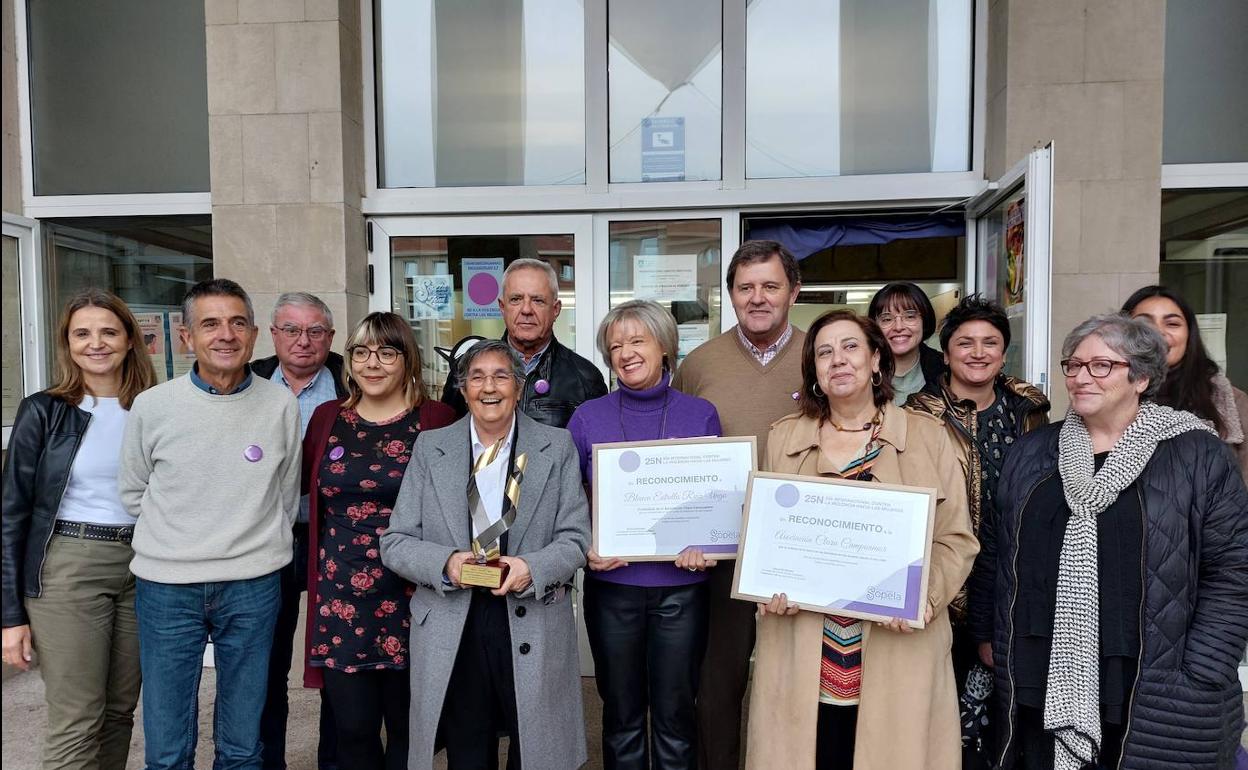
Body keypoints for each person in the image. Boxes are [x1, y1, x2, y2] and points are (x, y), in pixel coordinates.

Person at [982, 314, 1248, 769]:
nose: (1081, 377)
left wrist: (1205, 666)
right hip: (1040, 674)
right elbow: (996, 549)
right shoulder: (1033, 451)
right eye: (1073, 365)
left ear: (1141, 377)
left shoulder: (1197, 454)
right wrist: (989, 638)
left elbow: (1233, 570)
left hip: (1156, 681)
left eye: (1100, 366)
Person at [748, 309, 977, 770]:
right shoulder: (784, 438)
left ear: (877, 359)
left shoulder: (929, 437)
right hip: (804, 648)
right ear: (813, 371)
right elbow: (768, 539)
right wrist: (765, 586)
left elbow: (957, 539)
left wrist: (925, 597)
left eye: (851, 347)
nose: (838, 360)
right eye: (824, 352)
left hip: (898, 648)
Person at [118, 278, 302, 769]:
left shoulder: (280, 404)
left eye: (238, 322)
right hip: (167, 587)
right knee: (167, 744)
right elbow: (134, 493)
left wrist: (250, 546)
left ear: (255, 333)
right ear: (186, 336)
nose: (226, 334)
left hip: (253, 585)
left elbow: (284, 494)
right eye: (211, 323)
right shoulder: (153, 407)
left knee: (243, 745)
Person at [382, 339, 590, 770]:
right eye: (477, 377)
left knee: (535, 749)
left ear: (519, 386)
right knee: (468, 747)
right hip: (454, 620)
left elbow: (574, 538)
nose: (489, 387)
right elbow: (396, 541)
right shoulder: (430, 448)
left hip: (529, 612)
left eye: (501, 376)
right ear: (463, 388)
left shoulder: (557, 446)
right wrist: (446, 563)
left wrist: (532, 567)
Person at [1, 288, 156, 770]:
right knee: (76, 716)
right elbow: (11, 515)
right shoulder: (43, 410)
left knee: (118, 712)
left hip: (144, 567)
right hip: (70, 564)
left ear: (131, 340)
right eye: (82, 333)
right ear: (67, 344)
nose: (96, 343)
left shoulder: (155, 408)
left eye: (109, 331)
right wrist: (10, 616)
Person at [566, 300, 722, 770]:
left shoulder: (701, 415)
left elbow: (717, 498)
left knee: (677, 716)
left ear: (665, 346)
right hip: (613, 591)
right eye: (615, 345)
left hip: (683, 590)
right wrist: (584, 547)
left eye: (637, 340)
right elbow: (565, 503)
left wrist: (711, 543)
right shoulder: (587, 417)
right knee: (621, 715)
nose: (625, 353)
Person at [671, 239, 805, 770]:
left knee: (793, 684)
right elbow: (677, 454)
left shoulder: (822, 356)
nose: (757, 298)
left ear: (792, 291)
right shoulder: (700, 363)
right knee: (719, 683)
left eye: (770, 286)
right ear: (730, 295)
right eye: (745, 288)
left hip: (798, 547)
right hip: (724, 551)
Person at [300, 312, 456, 769]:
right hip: (341, 596)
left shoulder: (436, 419)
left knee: (411, 730)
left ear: (408, 361)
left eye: (387, 352)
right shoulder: (327, 418)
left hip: (412, 597)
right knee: (351, 730)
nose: (372, 363)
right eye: (361, 352)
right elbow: (309, 494)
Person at [905, 294, 1049, 767]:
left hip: (1015, 573)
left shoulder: (1029, 410)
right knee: (946, 703)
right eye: (965, 342)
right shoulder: (919, 413)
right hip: (946, 575)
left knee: (1012, 704)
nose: (978, 351)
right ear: (945, 354)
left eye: (991, 342)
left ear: (1005, 353)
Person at [252, 291, 346, 770]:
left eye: (315, 331)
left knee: (336, 661)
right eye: (291, 329)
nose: (303, 341)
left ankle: (333, 759)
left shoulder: (352, 382)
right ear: (273, 335)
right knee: (266, 661)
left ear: (330, 338)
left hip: (336, 540)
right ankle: (269, 760)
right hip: (267, 538)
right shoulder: (249, 383)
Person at [441, 257, 607, 428]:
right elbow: (448, 442)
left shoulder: (585, 377)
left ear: (555, 309)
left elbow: (593, 446)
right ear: (502, 307)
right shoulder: (467, 368)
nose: (526, 309)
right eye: (516, 299)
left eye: (538, 300)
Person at [1122, 284, 1247, 478]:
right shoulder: (1101, 392)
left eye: (1172, 324)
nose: (1158, 333)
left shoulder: (1231, 400)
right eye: (1144, 324)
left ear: (1189, 336)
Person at [867, 281, 946, 405]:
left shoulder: (946, 371)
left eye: (909, 316)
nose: (898, 327)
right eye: (887, 319)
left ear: (924, 321)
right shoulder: (862, 372)